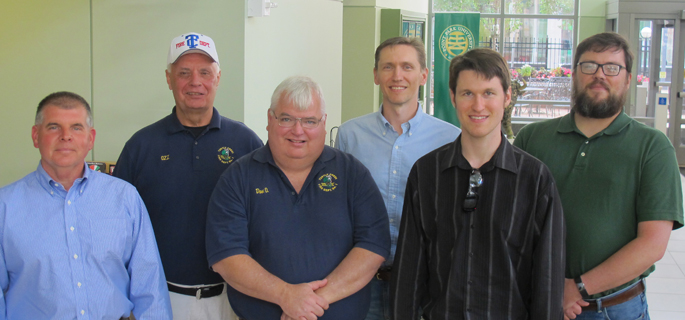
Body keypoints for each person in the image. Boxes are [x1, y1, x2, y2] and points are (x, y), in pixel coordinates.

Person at [514, 32, 684, 320]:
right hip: (535, 302)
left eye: (612, 67)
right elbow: (511, 219)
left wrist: (577, 288)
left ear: (628, 79)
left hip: (614, 310)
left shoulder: (652, 147)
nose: (599, 75)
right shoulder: (533, 138)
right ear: (575, 73)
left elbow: (652, 245)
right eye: (589, 66)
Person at [391, 48, 565, 319]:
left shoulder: (535, 179)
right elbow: (409, 271)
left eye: (488, 93)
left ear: (507, 97)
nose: (478, 105)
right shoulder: (426, 174)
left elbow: (548, 281)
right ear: (453, 97)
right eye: (467, 94)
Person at [206, 76, 391, 320]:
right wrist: (285, 295)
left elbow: (373, 246)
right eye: (286, 119)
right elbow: (226, 256)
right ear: (270, 120)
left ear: (324, 123)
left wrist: (312, 302)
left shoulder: (352, 174)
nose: (298, 130)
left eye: (309, 121)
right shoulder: (238, 177)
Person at [114, 32, 263, 320]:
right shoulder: (141, 146)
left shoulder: (246, 143)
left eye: (205, 72)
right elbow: (117, 230)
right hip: (160, 301)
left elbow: (267, 218)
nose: (195, 81)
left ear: (218, 78)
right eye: (184, 73)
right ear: (169, 79)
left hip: (234, 300)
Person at [0, 91, 171, 319]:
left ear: (90, 138)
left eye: (76, 127)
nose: (65, 136)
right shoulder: (6, 206)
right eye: (53, 127)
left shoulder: (125, 198)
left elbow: (149, 288)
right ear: (35, 136)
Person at [334, 36, 460, 320]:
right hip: (361, 282)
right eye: (388, 67)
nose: (397, 76)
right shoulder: (350, 135)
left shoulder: (450, 140)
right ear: (376, 75)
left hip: (423, 284)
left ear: (423, 75)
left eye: (407, 66)